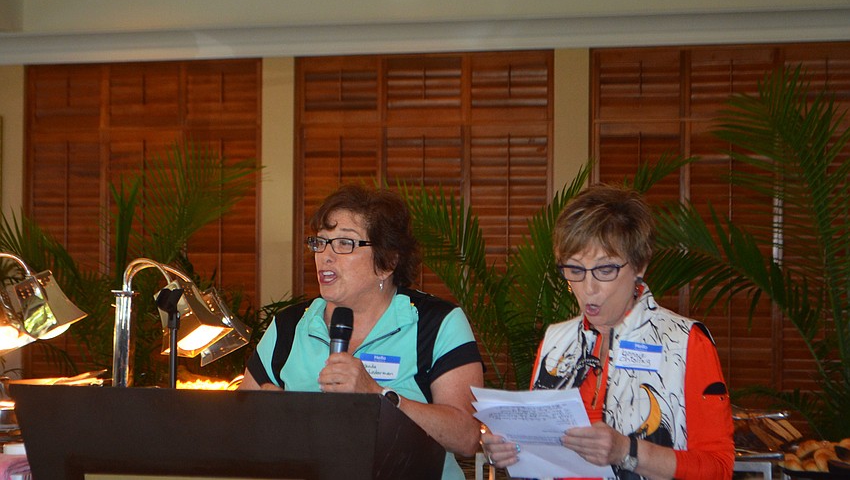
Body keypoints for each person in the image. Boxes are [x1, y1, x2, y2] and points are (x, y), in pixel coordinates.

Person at [481, 184, 734, 479]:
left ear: (640, 264)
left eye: (605, 270)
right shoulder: (556, 341)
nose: (589, 289)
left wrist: (627, 452)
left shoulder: (684, 342)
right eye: (575, 270)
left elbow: (718, 468)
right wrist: (507, 450)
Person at [239, 184, 485, 480]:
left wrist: (378, 394)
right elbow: (241, 428)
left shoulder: (436, 323)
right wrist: (263, 411)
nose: (325, 256)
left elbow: (467, 436)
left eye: (345, 244)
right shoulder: (289, 326)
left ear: (387, 263)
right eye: (321, 242)